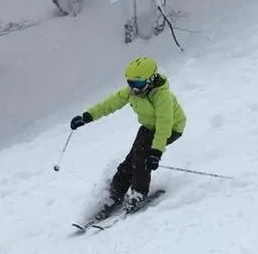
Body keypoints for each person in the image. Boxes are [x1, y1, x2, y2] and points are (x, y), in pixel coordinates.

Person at [70, 56, 186, 214]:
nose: (134, 89)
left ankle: (138, 194)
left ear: (151, 79)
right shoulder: (132, 92)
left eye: (138, 84)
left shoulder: (162, 96)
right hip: (148, 127)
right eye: (131, 84)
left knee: (141, 159)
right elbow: (110, 104)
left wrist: (156, 152)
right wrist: (87, 116)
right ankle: (114, 194)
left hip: (171, 129)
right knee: (130, 161)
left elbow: (164, 125)